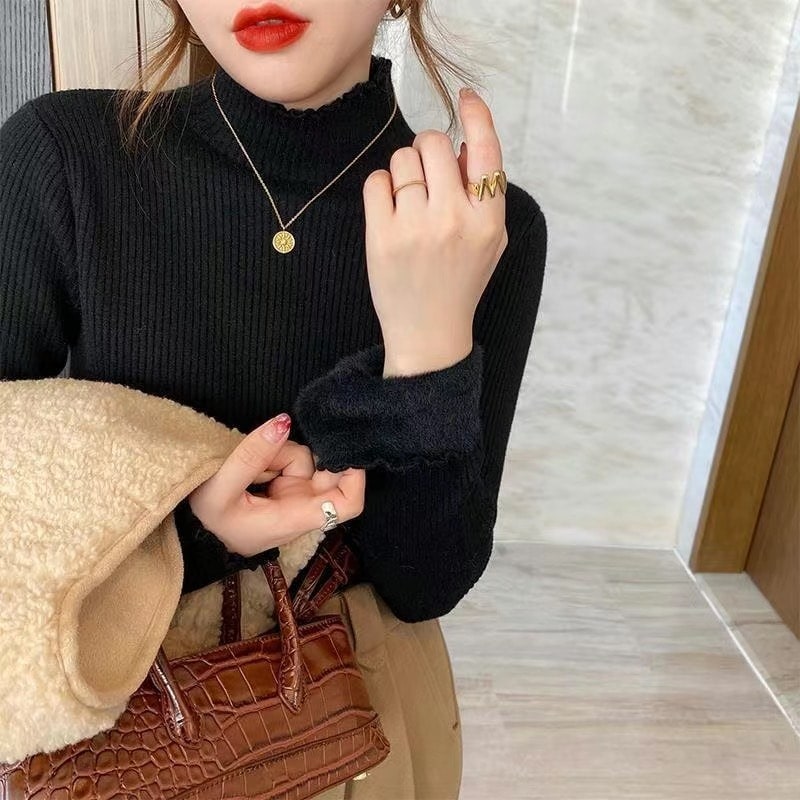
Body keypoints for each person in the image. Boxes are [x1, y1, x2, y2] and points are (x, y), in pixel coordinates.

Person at [0, 1, 545, 638]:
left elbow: (424, 587)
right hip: (103, 683)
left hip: (357, 692)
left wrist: (426, 345)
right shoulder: (65, 155)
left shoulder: (481, 229)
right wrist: (199, 535)